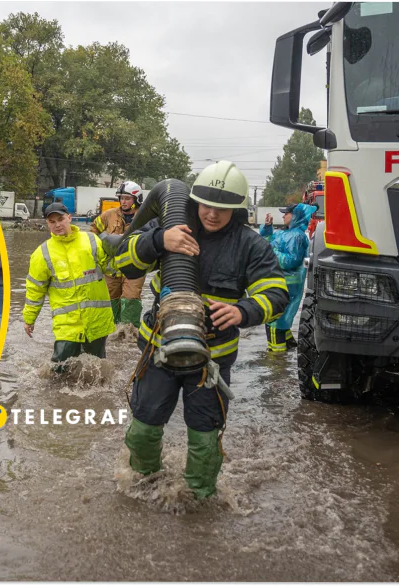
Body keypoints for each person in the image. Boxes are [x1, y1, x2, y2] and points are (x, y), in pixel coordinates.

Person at [114, 162, 289, 499]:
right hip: (158, 352)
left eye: (222, 208)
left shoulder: (250, 245)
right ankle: (144, 484)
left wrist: (244, 310)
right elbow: (121, 259)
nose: (212, 214)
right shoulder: (170, 225)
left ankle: (198, 499)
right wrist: (159, 239)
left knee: (204, 439)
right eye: (206, 205)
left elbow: (277, 293)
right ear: (193, 200)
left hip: (211, 362)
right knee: (143, 430)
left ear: (237, 209)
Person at [23, 203, 116, 364]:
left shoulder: (91, 240)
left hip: (97, 321)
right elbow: (35, 291)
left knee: (96, 369)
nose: (57, 225)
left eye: (61, 219)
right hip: (67, 326)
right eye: (52, 222)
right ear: (47, 224)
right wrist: (29, 319)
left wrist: (126, 253)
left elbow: (112, 268)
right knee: (59, 370)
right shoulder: (42, 254)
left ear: (69, 218)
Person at [260, 202, 316, 352]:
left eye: (287, 213)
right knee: (282, 320)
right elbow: (267, 240)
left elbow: (291, 261)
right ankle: (288, 353)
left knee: (273, 322)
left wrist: (271, 252)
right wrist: (267, 227)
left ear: (296, 215)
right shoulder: (288, 233)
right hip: (282, 282)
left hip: (285, 284)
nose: (283, 216)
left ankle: (276, 365)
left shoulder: (296, 236)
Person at [90, 180, 146, 326]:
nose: (123, 201)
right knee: (110, 304)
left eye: (127, 198)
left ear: (137, 199)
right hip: (111, 271)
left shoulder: (144, 218)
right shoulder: (108, 215)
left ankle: (129, 336)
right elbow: (93, 231)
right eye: (121, 198)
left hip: (134, 270)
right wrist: (104, 243)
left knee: (131, 300)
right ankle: (111, 335)